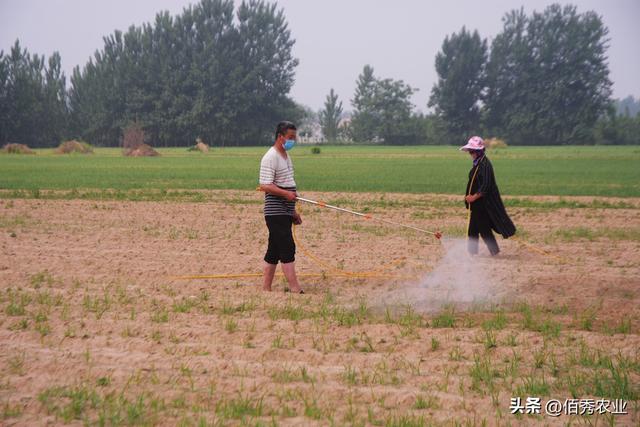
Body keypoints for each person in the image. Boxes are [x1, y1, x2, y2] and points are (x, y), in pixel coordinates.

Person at [258, 121, 304, 293]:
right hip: (275, 212)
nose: (293, 141)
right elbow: (265, 185)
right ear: (280, 137)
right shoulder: (270, 157)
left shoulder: (286, 156)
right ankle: (295, 288)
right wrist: (286, 195)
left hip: (285, 211)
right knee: (287, 247)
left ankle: (266, 288)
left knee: (274, 250)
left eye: (294, 137)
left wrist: (292, 211)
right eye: (290, 137)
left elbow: (287, 183)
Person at [460, 136, 516, 255]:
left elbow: (486, 186)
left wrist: (473, 197)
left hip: (483, 204)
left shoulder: (485, 165)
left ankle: (492, 251)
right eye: (470, 151)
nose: (470, 153)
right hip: (477, 205)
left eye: (472, 151)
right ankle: (473, 252)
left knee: (483, 230)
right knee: (474, 230)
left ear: (479, 151)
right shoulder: (478, 163)